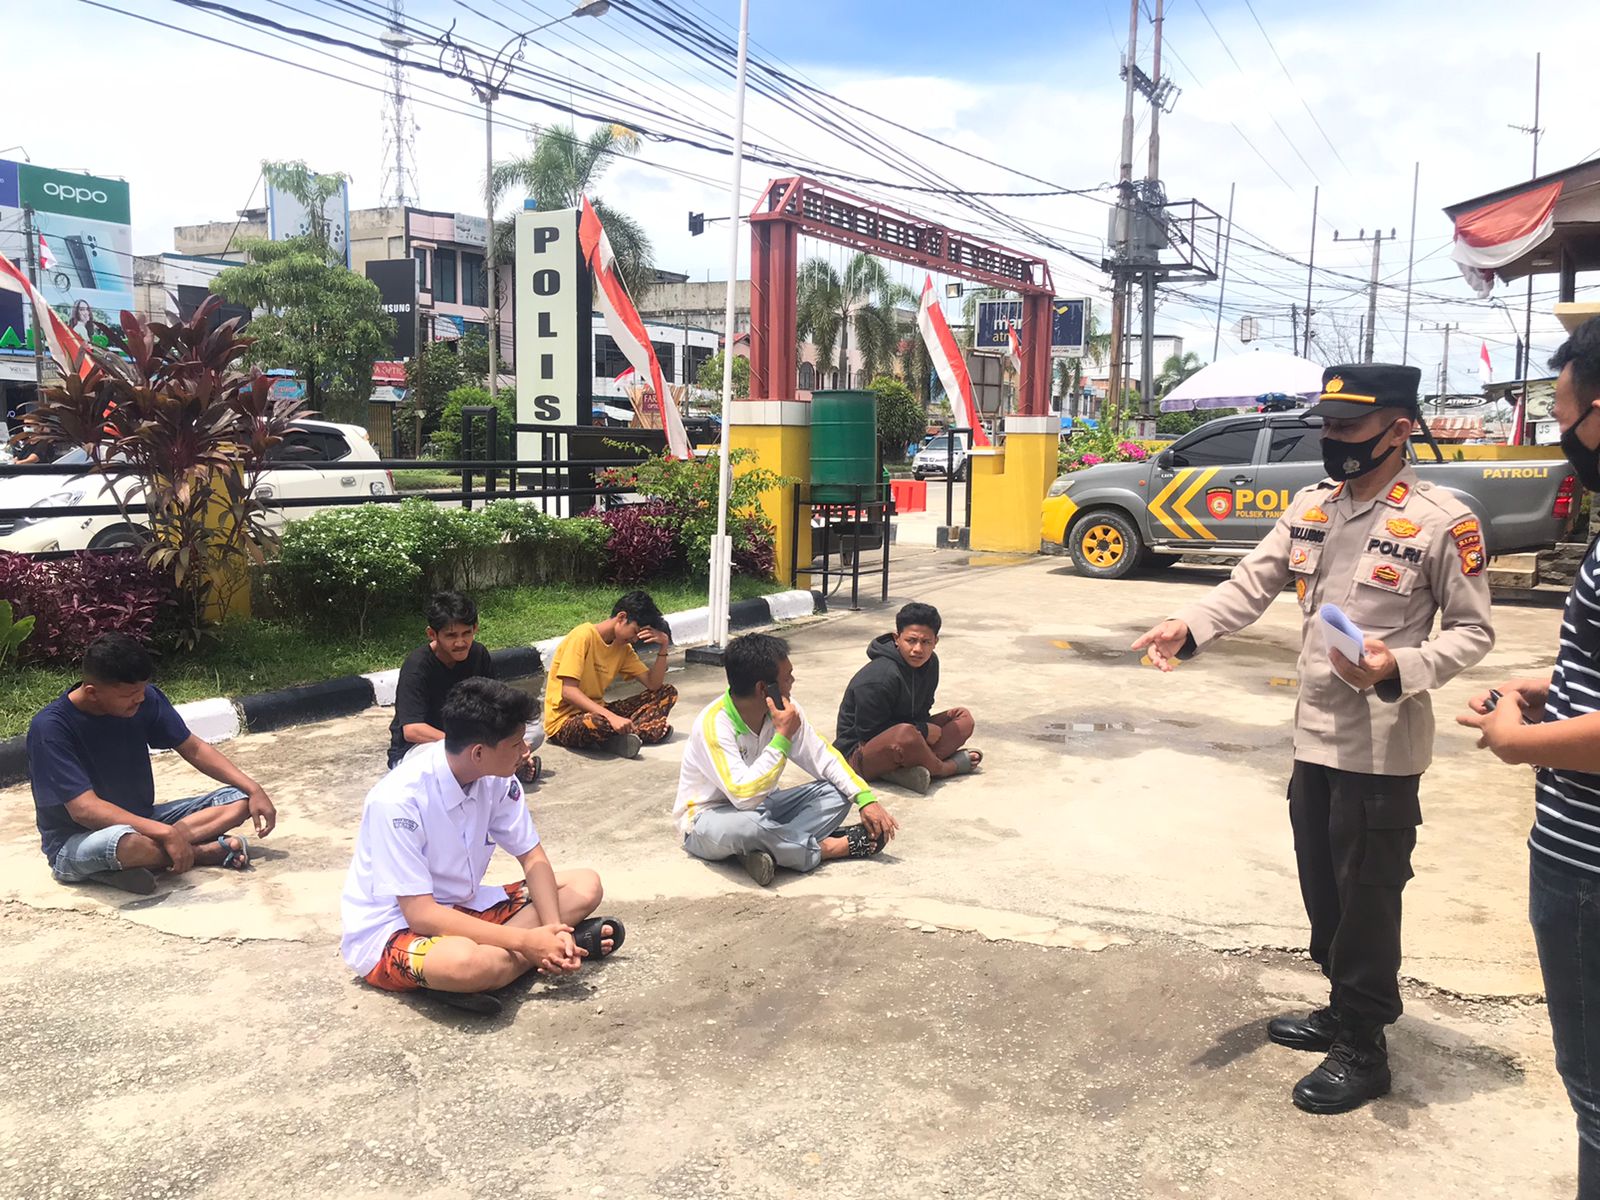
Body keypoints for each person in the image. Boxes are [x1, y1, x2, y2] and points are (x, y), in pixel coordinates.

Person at [1132, 363, 1494, 1115]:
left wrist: (1404, 664)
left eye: (1349, 428)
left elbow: (1473, 631)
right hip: (1315, 741)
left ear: (1398, 429)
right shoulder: (1312, 508)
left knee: (1369, 897)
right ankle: (1340, 1006)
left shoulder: (1439, 520)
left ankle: (1365, 1045)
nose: (1332, 440)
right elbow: (1252, 581)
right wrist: (1189, 626)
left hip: (1383, 746)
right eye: (1325, 425)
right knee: (1324, 889)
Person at [1460, 316, 1600, 1194]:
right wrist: (1556, 684)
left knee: (1595, 1093)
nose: (1561, 431)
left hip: (1588, 865)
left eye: (1563, 409)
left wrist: (1519, 740)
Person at [342, 677, 623, 1017]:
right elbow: (421, 914)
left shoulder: (496, 777)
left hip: (467, 906)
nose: (526, 752)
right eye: (517, 743)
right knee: (466, 962)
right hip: (396, 928)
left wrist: (552, 929)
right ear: (478, 753)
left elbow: (532, 857)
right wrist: (525, 942)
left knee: (584, 884)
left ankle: (525, 957)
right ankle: (490, 970)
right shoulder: (398, 801)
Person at [27, 632, 278, 895]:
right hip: (77, 841)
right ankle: (200, 852)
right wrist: (165, 834)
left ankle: (140, 861)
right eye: (131, 694)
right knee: (121, 844)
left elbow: (193, 747)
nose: (140, 699)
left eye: (143, 690)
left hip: (144, 820)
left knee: (239, 798)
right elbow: (85, 810)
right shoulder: (51, 728)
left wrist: (254, 789)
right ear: (92, 693)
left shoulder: (145, 699)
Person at [676, 631, 899, 886]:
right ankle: (826, 848)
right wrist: (782, 737)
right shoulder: (714, 723)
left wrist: (865, 799)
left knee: (838, 792)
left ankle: (765, 851)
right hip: (709, 819)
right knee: (748, 826)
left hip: (767, 808)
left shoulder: (787, 710)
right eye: (787, 677)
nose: (793, 681)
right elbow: (744, 795)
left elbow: (822, 757)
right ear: (764, 688)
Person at [387, 591, 542, 784]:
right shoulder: (417, 667)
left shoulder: (478, 653)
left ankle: (507, 763)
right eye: (451, 635)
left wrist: (511, 740)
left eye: (466, 633)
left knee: (535, 729)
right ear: (432, 634)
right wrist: (466, 744)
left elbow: (496, 706)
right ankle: (503, 767)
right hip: (423, 748)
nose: (460, 643)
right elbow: (413, 730)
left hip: (473, 742)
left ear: (475, 628)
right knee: (454, 757)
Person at [834, 601, 981, 794]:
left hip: (908, 736)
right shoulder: (880, 677)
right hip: (859, 753)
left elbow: (923, 710)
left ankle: (908, 768)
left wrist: (921, 730)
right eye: (911, 640)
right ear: (897, 638)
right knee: (905, 734)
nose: (918, 649)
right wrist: (922, 730)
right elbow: (868, 732)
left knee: (963, 718)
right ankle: (943, 769)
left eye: (926, 642)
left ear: (935, 641)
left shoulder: (931, 664)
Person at [544, 589, 678, 758]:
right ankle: (644, 730)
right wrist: (612, 718)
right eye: (636, 631)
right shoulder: (582, 636)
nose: (635, 639)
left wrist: (664, 646)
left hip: (600, 709)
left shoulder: (623, 649)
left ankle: (626, 734)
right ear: (622, 618)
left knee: (667, 693)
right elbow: (568, 692)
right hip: (565, 722)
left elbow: (654, 684)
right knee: (595, 723)